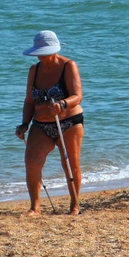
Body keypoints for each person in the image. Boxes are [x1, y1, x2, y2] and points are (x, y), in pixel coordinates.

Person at [15, 30, 84, 216]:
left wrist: (62, 104)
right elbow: (29, 101)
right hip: (41, 124)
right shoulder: (34, 70)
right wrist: (24, 124)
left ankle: (75, 206)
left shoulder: (68, 66)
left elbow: (78, 96)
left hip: (69, 122)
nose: (41, 56)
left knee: (70, 164)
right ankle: (35, 207)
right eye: (39, 52)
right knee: (31, 162)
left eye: (44, 52)